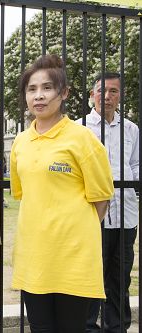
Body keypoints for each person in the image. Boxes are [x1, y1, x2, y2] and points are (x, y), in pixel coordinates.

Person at [10, 54, 114, 332]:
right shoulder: (20, 142)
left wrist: (77, 231)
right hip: (35, 258)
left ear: (64, 93)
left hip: (74, 258)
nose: (39, 96)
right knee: (40, 328)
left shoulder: (82, 139)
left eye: (47, 88)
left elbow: (102, 196)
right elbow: (23, 194)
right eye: (32, 89)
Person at [76, 72, 139, 333]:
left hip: (125, 216)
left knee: (120, 279)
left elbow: (135, 166)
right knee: (90, 277)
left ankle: (118, 328)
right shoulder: (79, 128)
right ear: (92, 94)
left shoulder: (132, 129)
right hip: (92, 216)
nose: (108, 96)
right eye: (102, 90)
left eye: (114, 91)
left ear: (120, 95)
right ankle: (88, 327)